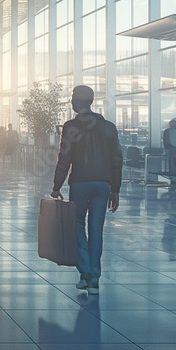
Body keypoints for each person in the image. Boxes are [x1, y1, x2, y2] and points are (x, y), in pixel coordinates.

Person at [51, 85, 122, 295]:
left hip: (80, 182)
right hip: (103, 184)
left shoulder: (71, 126)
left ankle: (86, 270)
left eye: (72, 96)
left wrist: (56, 186)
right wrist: (115, 189)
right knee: (96, 230)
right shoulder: (109, 127)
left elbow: (64, 158)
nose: (71, 100)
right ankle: (92, 278)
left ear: (77, 100)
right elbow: (117, 159)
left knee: (77, 227)